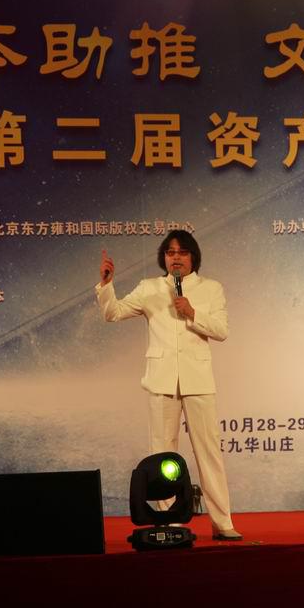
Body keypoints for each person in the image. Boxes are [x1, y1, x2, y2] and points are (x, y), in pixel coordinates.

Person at [96, 230, 242, 541]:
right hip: (161, 379)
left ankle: (222, 522)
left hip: (198, 379)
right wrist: (107, 285)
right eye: (170, 252)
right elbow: (113, 313)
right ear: (163, 257)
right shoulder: (149, 288)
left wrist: (192, 312)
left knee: (209, 452)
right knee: (162, 454)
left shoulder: (211, 288)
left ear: (193, 257)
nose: (176, 258)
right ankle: (169, 520)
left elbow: (221, 330)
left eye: (182, 252)